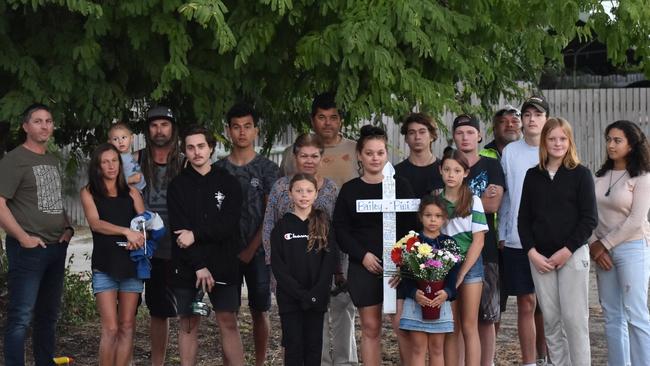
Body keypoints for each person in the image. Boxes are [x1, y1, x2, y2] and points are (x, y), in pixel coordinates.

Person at [281, 92, 359, 366]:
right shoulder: (295, 153)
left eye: (334, 117)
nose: (328, 123)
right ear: (313, 120)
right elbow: (282, 197)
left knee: (343, 305)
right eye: (322, 117)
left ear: (341, 120)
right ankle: (321, 360)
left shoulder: (354, 149)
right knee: (315, 306)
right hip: (302, 243)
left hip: (343, 239)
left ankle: (345, 360)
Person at [333, 125, 417, 366]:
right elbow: (341, 229)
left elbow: (412, 228)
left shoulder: (400, 186)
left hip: (398, 268)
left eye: (380, 152)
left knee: (403, 325)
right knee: (370, 328)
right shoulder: (350, 190)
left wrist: (403, 262)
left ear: (386, 154)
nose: (375, 158)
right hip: (365, 266)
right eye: (369, 153)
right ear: (359, 154)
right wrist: (363, 255)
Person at [518, 117, 597, 366]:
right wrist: (532, 253)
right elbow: (523, 220)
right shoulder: (533, 176)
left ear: (570, 141)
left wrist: (567, 250)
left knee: (574, 320)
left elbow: (589, 219)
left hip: (572, 256)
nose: (557, 143)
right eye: (552, 138)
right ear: (544, 142)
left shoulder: (581, 175)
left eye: (562, 138)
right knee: (551, 320)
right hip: (540, 259)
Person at [0, 104, 74, 365]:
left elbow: (53, 200)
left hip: (55, 248)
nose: (44, 126)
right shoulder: (14, 160)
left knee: (48, 315)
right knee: (21, 316)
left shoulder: (52, 160)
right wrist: (23, 238)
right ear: (25, 126)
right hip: (29, 249)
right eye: (38, 121)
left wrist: (67, 228)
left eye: (49, 121)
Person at [167, 125, 244, 365]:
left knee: (228, 321)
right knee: (188, 324)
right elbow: (181, 234)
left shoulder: (229, 183)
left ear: (211, 147)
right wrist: (199, 265)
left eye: (201, 146)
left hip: (224, 262)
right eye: (190, 147)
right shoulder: (177, 186)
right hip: (189, 265)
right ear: (185, 151)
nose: (196, 152)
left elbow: (228, 226)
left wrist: (196, 233)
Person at [215, 103, 280, 366]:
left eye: (247, 126)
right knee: (226, 313)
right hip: (225, 254)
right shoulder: (218, 169)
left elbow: (270, 214)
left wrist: (251, 249)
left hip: (258, 252)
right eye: (236, 127)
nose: (242, 132)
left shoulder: (267, 169)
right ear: (228, 130)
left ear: (256, 130)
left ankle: (260, 362)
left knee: (259, 311)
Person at [589, 120, 650, 366]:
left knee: (636, 314)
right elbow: (589, 213)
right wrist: (595, 243)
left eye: (617, 140)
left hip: (632, 248)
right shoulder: (600, 175)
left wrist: (604, 244)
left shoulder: (643, 177)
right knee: (612, 315)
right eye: (608, 139)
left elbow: (636, 220)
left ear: (632, 145)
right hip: (602, 251)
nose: (610, 145)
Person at [80, 143, 146, 366]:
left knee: (127, 326)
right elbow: (95, 223)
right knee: (110, 328)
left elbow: (145, 225)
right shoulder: (89, 192)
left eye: (114, 161)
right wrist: (126, 231)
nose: (111, 166)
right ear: (97, 167)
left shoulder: (133, 192)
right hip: (105, 265)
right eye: (105, 162)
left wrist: (139, 237)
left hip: (131, 265)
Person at [498, 96, 550, 366]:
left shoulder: (554, 149)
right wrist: (503, 232)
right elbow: (506, 196)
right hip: (518, 238)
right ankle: (529, 361)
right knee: (526, 302)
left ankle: (549, 357)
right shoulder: (511, 152)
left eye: (537, 114)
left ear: (546, 120)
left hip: (549, 240)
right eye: (527, 114)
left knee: (551, 306)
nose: (531, 119)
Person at [452, 114, 505, 366]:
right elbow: (440, 206)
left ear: (479, 135)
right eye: (460, 132)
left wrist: (459, 204)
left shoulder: (491, 165)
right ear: (453, 136)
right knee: (461, 317)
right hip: (453, 251)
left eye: (470, 132)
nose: (465, 137)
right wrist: (477, 200)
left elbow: (494, 204)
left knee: (487, 316)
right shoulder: (449, 164)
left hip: (486, 247)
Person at [271, 174, 339, 365]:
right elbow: (279, 268)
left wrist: (315, 294)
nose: (304, 195)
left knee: (313, 348)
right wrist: (301, 295)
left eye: (309, 191)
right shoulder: (282, 227)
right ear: (290, 193)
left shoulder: (324, 225)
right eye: (299, 191)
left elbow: (329, 264)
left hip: (316, 299)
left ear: (316, 194)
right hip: (290, 300)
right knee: (293, 348)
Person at [139, 105, 184, 365]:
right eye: (154, 125)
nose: (159, 130)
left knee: (171, 309)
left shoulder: (184, 161)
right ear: (148, 130)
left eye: (164, 124)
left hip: (173, 247)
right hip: (140, 246)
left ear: (172, 128)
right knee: (142, 310)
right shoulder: (135, 159)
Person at [436, 149, 488, 366]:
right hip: (445, 266)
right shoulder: (435, 200)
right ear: (440, 170)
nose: (451, 174)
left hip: (470, 266)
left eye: (457, 170)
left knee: (469, 325)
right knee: (451, 326)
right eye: (447, 169)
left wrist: (462, 272)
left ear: (465, 173)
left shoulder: (473, 200)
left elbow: (479, 240)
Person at [399, 195, 461, 366]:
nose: (433, 220)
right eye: (428, 215)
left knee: (437, 348)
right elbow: (405, 274)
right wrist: (413, 293)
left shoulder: (449, 244)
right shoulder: (412, 242)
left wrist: (447, 293)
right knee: (418, 348)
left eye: (438, 216)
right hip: (416, 302)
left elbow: (453, 274)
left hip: (440, 303)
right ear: (420, 217)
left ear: (444, 218)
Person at [479, 105, 522, 339]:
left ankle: (540, 357)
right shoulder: (484, 156)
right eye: (503, 121)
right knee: (494, 305)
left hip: (520, 236)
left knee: (534, 303)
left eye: (514, 120)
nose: (510, 125)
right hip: (490, 238)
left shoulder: (532, 153)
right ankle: (490, 356)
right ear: (494, 128)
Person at [263, 134, 339, 264]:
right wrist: (273, 261)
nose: (309, 161)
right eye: (304, 156)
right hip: (285, 265)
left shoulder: (330, 189)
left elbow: (336, 229)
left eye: (314, 156)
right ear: (295, 157)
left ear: (321, 158)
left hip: (321, 266)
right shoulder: (280, 187)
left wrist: (337, 269)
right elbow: (269, 225)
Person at [395, 112, 443, 198]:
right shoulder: (396, 173)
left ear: (432, 136)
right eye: (412, 132)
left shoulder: (444, 170)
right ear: (406, 138)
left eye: (422, 132)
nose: (417, 137)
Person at [107, 122, 146, 192]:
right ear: (110, 143)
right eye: (115, 139)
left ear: (131, 138)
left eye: (124, 137)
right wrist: (129, 179)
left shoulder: (128, 155)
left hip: (141, 190)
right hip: (129, 193)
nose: (120, 141)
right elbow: (112, 179)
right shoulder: (115, 159)